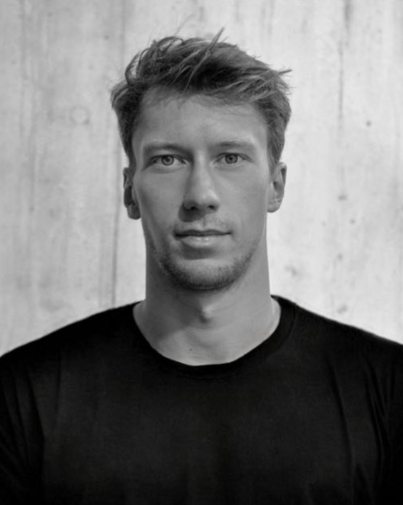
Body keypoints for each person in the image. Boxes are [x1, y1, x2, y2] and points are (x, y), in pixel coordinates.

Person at [1, 32, 402, 505]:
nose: (200, 195)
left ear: (275, 186)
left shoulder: (387, 391)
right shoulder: (24, 398)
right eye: (168, 160)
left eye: (230, 158)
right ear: (130, 191)